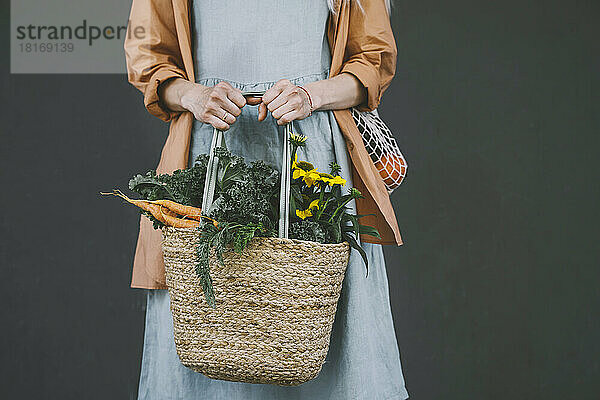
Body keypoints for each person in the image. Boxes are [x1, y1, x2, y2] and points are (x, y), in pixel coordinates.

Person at [125, 0, 408, 398]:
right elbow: (148, 58)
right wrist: (194, 96)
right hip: (211, 155)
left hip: (311, 155)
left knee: (318, 317)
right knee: (208, 322)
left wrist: (312, 96)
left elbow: (372, 60)